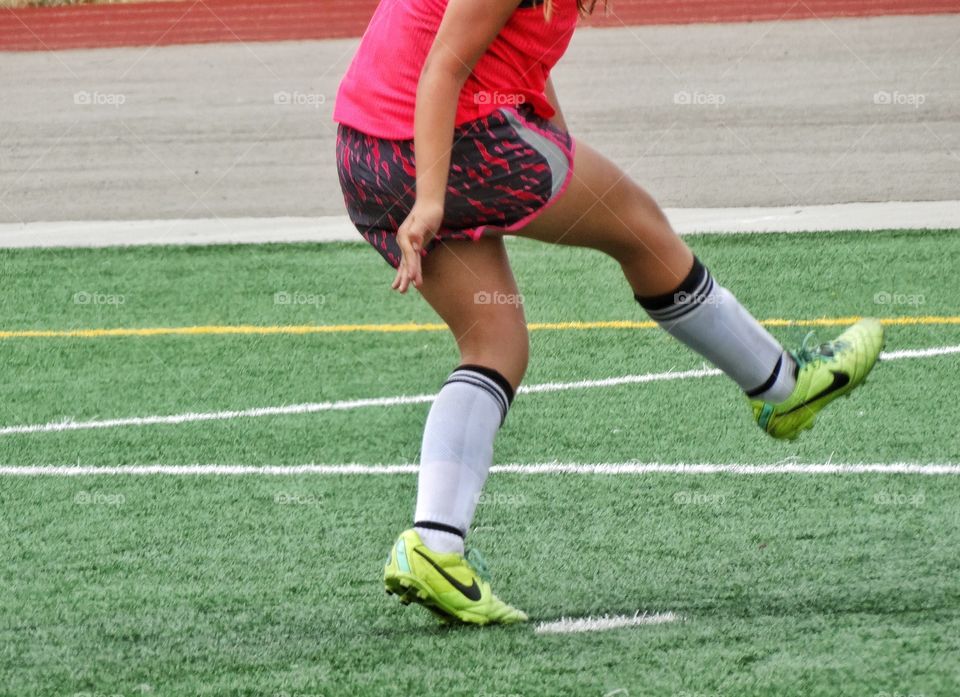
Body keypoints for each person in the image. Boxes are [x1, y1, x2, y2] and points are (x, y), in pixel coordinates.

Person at [333, 0, 884, 625]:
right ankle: (781, 388)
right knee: (642, 230)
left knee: (495, 344)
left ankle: (435, 545)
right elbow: (442, 69)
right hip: (443, 142)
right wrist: (431, 200)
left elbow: (509, 61)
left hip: (368, 153)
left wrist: (553, 150)